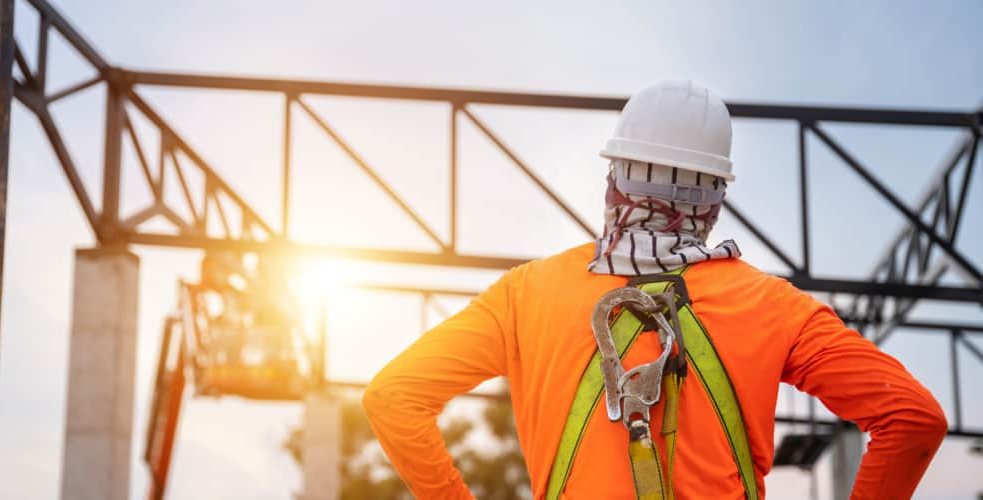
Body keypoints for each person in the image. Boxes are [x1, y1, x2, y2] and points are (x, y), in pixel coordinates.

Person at [362, 80, 947, 499]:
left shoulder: (526, 294)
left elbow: (393, 397)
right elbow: (913, 419)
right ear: (715, 200)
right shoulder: (776, 307)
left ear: (613, 179)